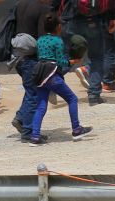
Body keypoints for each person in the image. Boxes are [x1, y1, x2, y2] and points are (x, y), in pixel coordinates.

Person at [53, 0, 114, 106]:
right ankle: (94, 95)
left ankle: (52, 86)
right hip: (93, 20)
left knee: (64, 55)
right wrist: (112, 17)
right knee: (96, 57)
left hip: (70, 19)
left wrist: (52, 18)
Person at [28, 14, 92, 146]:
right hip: (51, 74)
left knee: (41, 106)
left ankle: (34, 136)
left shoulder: (40, 40)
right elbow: (59, 61)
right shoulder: (58, 41)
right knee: (72, 99)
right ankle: (76, 129)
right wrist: (72, 61)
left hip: (39, 73)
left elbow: (42, 57)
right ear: (57, 27)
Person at [11, 0, 56, 141]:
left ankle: (21, 119)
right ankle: (28, 131)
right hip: (32, 57)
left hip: (17, 56)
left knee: (31, 90)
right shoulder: (44, 8)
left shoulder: (21, 4)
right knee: (34, 94)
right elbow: (43, 38)